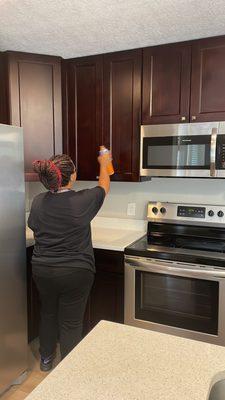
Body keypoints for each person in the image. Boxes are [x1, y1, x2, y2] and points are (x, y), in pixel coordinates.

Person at [28, 151, 111, 371]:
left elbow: (34, 226)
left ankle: (46, 360)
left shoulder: (37, 202)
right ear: (72, 176)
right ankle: (68, 371)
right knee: (71, 322)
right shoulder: (83, 200)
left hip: (43, 270)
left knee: (48, 313)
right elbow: (104, 186)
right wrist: (104, 162)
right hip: (76, 271)